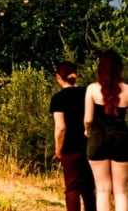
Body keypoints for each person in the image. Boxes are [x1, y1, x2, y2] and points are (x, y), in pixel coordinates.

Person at [85, 49, 128, 211]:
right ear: (119, 68)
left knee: (102, 189)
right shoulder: (127, 90)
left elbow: (88, 119)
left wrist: (86, 130)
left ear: (100, 68)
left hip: (97, 139)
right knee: (121, 191)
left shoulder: (92, 89)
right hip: (121, 140)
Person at [50, 61, 95, 211]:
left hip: (70, 148)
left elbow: (61, 127)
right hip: (89, 145)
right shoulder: (87, 93)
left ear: (58, 77)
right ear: (77, 74)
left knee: (72, 189)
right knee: (88, 188)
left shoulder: (58, 99)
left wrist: (58, 150)